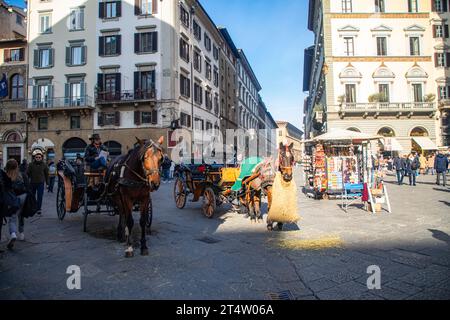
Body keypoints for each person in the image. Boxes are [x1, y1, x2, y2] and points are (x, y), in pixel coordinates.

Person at [1, 159, 28, 250]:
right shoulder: (22, 175)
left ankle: (13, 234)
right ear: (17, 166)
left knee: (13, 217)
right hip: (23, 196)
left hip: (12, 198)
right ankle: (21, 233)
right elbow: (28, 186)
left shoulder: (5, 175)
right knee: (21, 215)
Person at [27, 149, 49, 215]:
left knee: (40, 196)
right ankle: (33, 207)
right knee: (32, 196)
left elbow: (46, 174)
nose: (38, 158)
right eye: (36, 157)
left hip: (40, 183)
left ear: (41, 158)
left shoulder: (44, 165)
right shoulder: (31, 164)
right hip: (32, 183)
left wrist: (47, 183)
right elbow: (28, 173)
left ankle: (39, 208)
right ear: (34, 158)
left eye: (39, 157)